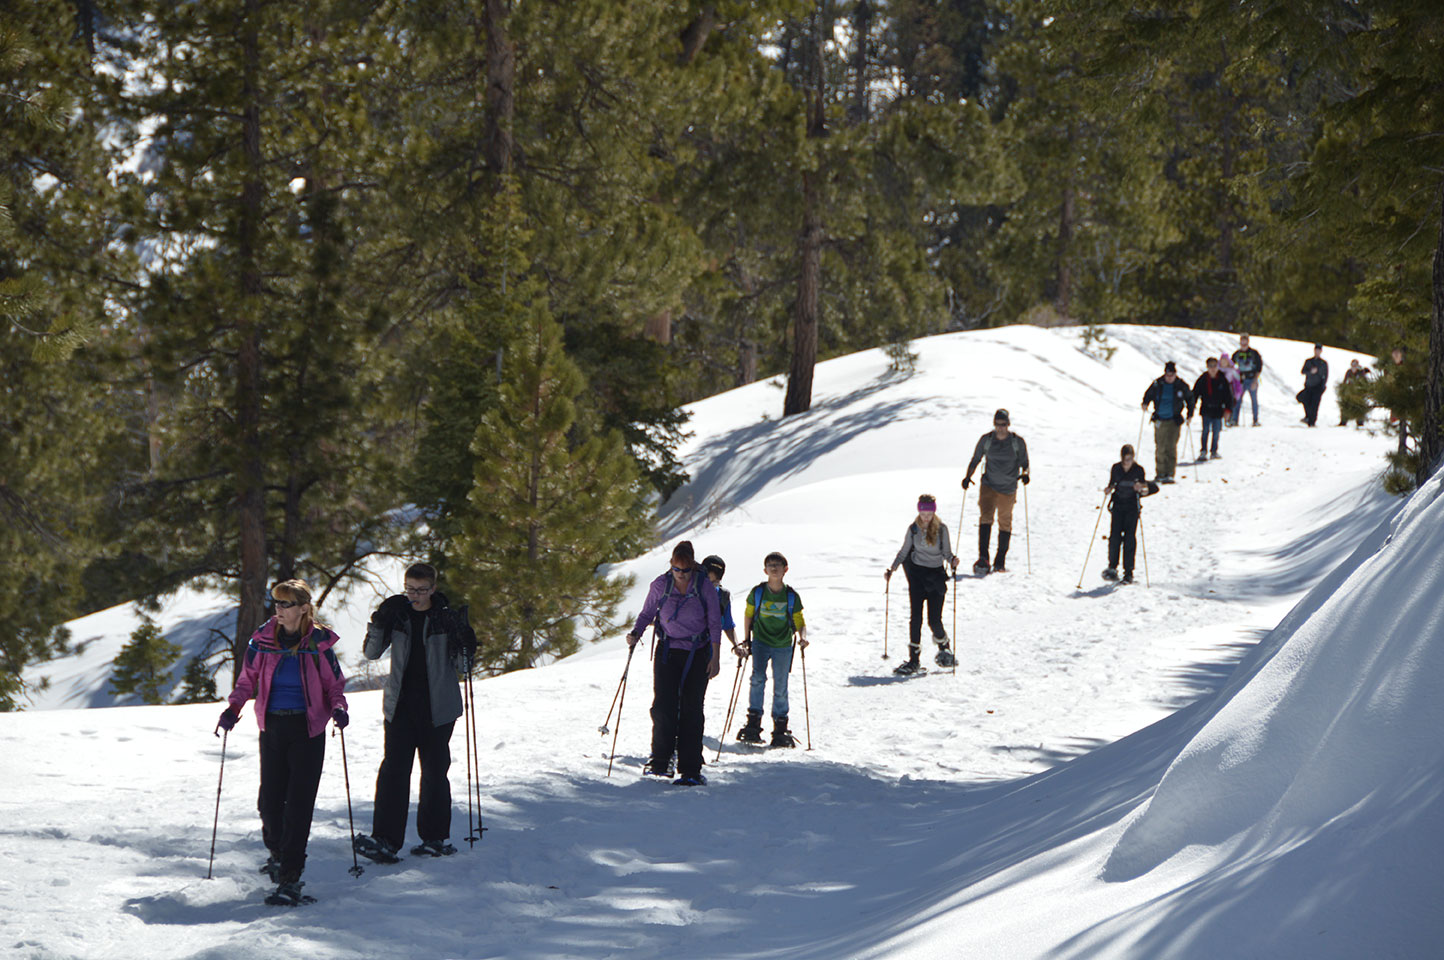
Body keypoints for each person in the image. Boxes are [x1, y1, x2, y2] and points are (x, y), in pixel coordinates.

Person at [217, 579, 349, 906]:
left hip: (308, 730)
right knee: (269, 802)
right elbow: (247, 681)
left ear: (303, 608)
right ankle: (277, 853)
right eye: (276, 603)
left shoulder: (318, 645)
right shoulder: (262, 642)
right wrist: (233, 708)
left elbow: (335, 686)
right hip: (273, 727)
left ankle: (290, 877)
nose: (279, 609)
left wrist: (338, 708)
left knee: (299, 805)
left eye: (286, 604)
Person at [353, 563, 477, 864]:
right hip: (400, 706)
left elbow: (464, 668)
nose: (415, 596)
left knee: (434, 773)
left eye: (422, 590)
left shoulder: (444, 619)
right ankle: (385, 839)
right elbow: (370, 653)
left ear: (433, 588)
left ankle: (434, 838)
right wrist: (379, 620)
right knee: (393, 772)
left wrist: (465, 641)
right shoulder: (399, 614)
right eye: (410, 589)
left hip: (439, 709)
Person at [627, 541, 722, 786]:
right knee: (663, 706)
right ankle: (661, 759)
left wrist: (716, 656)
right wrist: (636, 633)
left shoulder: (704, 586)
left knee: (691, 708)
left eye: (685, 570)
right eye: (676, 570)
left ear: (693, 567)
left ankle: (690, 768)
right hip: (668, 650)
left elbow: (714, 621)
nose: (680, 575)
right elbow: (647, 613)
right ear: (671, 566)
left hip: (698, 652)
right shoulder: (661, 584)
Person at [736, 552, 809, 746]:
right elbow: (748, 615)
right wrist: (746, 639)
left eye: (777, 565)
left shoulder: (791, 596)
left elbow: (799, 619)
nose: (774, 568)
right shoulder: (758, 592)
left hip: (783, 644)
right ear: (765, 570)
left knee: (780, 684)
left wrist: (802, 637)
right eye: (770, 565)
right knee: (758, 679)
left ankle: (778, 726)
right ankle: (756, 722)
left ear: (785, 569)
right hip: (761, 641)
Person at [884, 494, 960, 676]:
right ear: (919, 511)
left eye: (929, 512)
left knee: (934, 619)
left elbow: (947, 553)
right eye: (923, 512)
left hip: (936, 577)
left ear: (934, 511)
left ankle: (944, 647)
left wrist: (953, 560)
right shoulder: (913, 530)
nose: (926, 516)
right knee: (915, 617)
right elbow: (903, 552)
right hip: (917, 576)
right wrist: (892, 569)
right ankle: (914, 660)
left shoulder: (942, 530)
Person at [961, 408, 1030, 575]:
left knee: (1004, 522)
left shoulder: (1017, 442)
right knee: (986, 518)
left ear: (1008, 424)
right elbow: (976, 459)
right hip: (988, 485)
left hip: (1008, 488)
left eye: (1003, 424)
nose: (1000, 427)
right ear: (994, 424)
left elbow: (1025, 463)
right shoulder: (986, 440)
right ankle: (983, 558)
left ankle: (1000, 561)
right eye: (998, 424)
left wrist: (1025, 475)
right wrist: (967, 476)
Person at [1102, 445, 1159, 584]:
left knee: (1129, 539)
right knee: (1114, 537)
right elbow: (1112, 484)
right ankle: (1112, 567)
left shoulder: (1138, 470)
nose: (1128, 461)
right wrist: (1108, 489)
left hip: (1132, 507)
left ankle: (1128, 572)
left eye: (1130, 458)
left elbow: (1145, 489)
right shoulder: (1116, 468)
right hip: (1118, 506)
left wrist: (1141, 488)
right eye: (1126, 458)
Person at [1141, 362, 1192, 483]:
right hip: (1160, 419)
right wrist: (1145, 403)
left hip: (1174, 420)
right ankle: (1160, 473)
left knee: (1171, 446)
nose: (1170, 377)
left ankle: (1170, 473)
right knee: (1160, 447)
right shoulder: (1157, 384)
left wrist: (1190, 414)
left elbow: (1190, 399)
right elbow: (1148, 394)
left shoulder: (1181, 385)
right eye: (1168, 374)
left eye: (1172, 374)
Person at [1192, 356, 1234, 459]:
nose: (1213, 368)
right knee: (1205, 431)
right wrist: (1191, 406)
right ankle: (1203, 451)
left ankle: (1214, 451)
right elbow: (1195, 393)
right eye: (1210, 366)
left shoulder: (1222, 379)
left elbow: (1228, 396)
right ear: (1207, 367)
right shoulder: (1203, 379)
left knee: (1216, 431)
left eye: (1214, 366)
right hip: (1206, 409)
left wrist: (1228, 410)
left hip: (1218, 409)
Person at [1231, 334, 1264, 426]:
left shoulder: (1254, 353)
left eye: (1245, 340)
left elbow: (1259, 367)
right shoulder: (1236, 354)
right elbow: (1231, 366)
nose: (1243, 343)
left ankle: (1255, 420)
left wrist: (1255, 380)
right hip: (1240, 380)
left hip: (1251, 378)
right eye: (1242, 340)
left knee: (1254, 400)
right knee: (1237, 400)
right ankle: (1234, 420)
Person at [1298, 343, 1329, 427]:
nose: (1317, 352)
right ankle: (1308, 416)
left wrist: (1323, 386)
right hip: (1308, 385)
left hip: (1318, 386)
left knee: (1315, 404)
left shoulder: (1323, 363)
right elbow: (1303, 371)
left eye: (1319, 350)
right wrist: (1310, 372)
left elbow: (1325, 375)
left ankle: (1312, 421)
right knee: (1304, 399)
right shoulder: (1309, 361)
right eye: (1316, 350)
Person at [1340, 359, 1368, 427]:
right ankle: (1343, 421)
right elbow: (1345, 381)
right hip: (1349, 392)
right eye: (1352, 365)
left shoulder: (1361, 372)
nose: (1354, 367)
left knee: (1359, 406)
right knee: (1345, 405)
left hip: (1358, 393)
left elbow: (1364, 382)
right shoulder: (1349, 372)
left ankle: (1360, 421)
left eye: (1355, 365)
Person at [1218, 352, 1243, 426]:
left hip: (1229, 390)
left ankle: (1229, 419)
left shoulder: (1232, 370)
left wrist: (1238, 391)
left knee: (1230, 404)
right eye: (1222, 361)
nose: (1223, 362)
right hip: (1219, 390)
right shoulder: (1218, 369)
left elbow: (1237, 380)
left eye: (1225, 361)